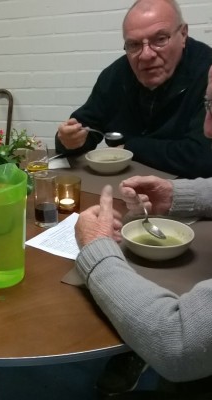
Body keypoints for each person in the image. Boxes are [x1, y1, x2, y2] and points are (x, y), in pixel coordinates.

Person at [73, 65, 212, 399]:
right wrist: (176, 195)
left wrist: (95, 248)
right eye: (208, 107)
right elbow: (84, 124)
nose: (207, 130)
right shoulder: (113, 76)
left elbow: (178, 341)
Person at [55, 0, 212, 179]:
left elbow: (204, 157)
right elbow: (85, 126)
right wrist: (68, 141)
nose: (146, 55)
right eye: (134, 45)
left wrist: (132, 147)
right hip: (120, 187)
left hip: (185, 195)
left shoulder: (208, 73)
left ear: (183, 34)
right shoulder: (115, 75)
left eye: (160, 39)